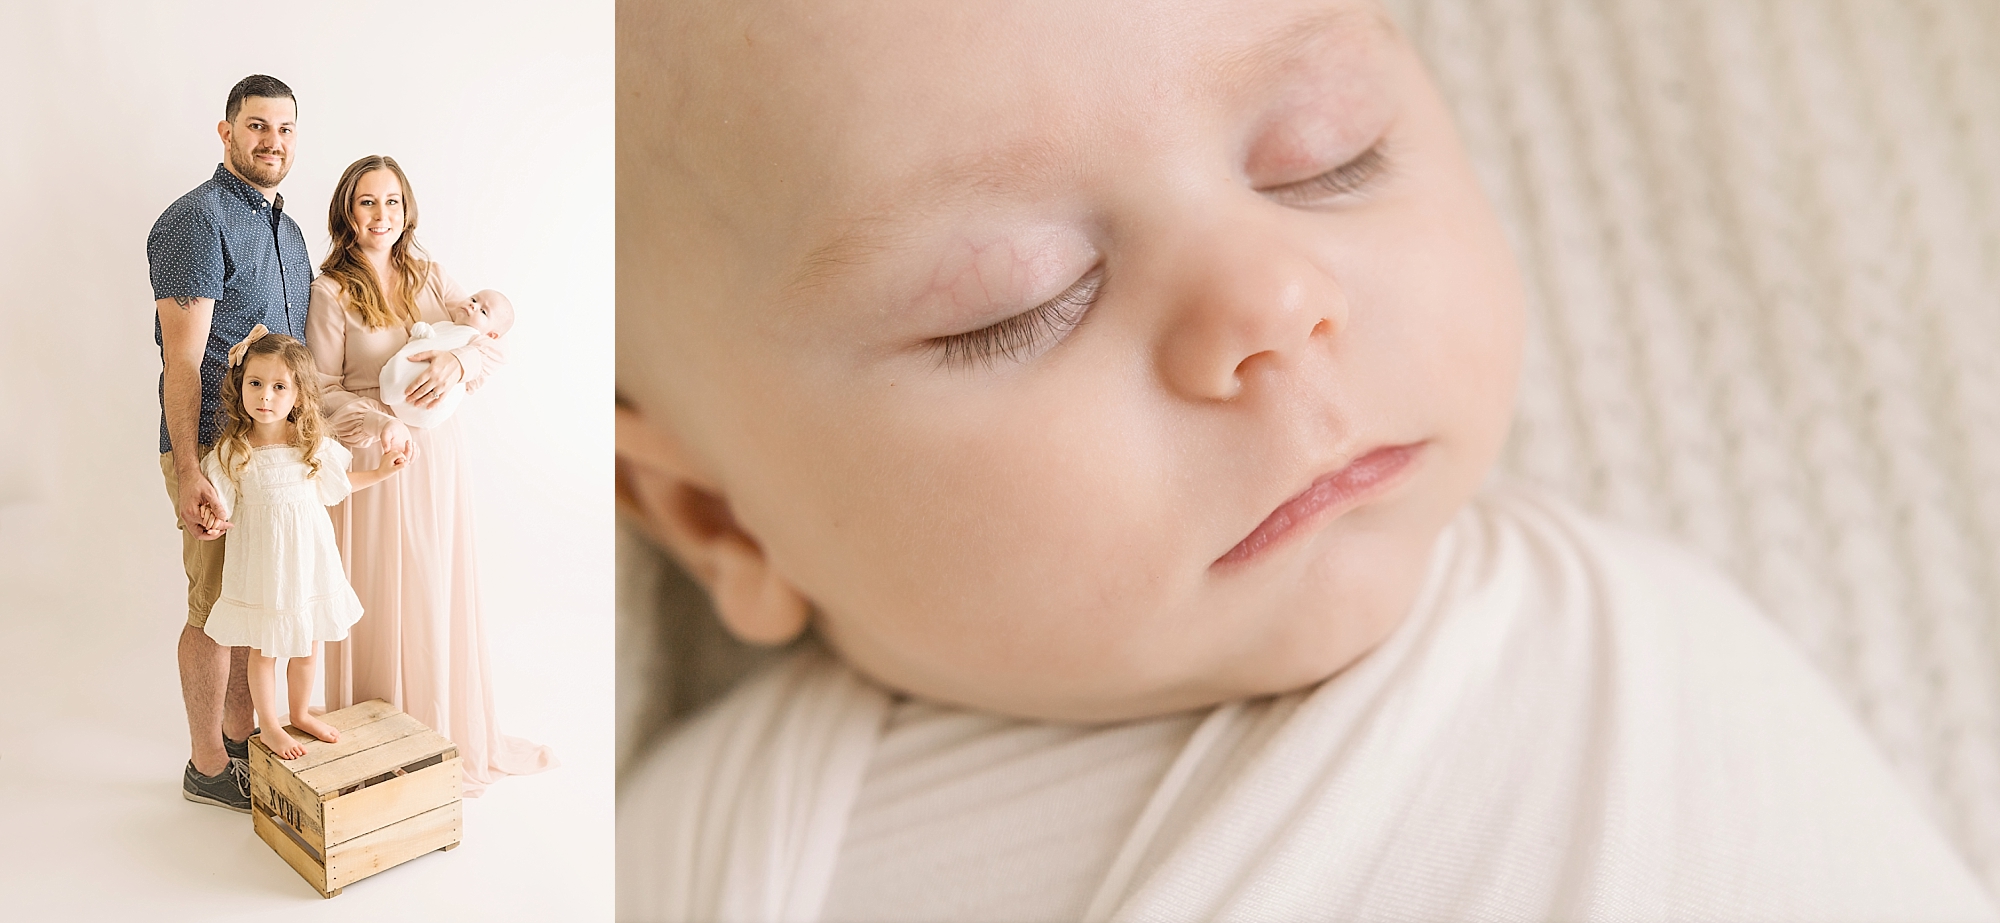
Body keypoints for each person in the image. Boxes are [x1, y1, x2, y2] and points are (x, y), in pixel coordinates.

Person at [611, 1, 2000, 921]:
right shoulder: (691, 855)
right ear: (714, 511)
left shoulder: (1650, 663)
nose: (1274, 302)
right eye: (1021, 301)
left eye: (1331, 157)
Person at [307, 155, 555, 795]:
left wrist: (458, 367)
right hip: (373, 459)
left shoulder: (431, 274)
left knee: (429, 588)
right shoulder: (329, 290)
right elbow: (322, 390)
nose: (380, 215)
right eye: (367, 202)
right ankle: (372, 742)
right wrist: (376, 425)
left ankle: (435, 735)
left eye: (391, 202)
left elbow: (488, 338)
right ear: (347, 212)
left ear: (406, 210)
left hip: (437, 460)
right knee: (376, 592)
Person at [148, 74, 312, 813]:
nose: (270, 141)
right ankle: (206, 763)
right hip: (211, 451)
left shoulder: (291, 230)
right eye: (255, 126)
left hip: (274, 459)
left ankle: (243, 738)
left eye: (283, 128)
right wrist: (189, 469)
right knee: (213, 605)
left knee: (252, 602)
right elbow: (181, 361)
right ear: (226, 133)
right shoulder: (196, 221)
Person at [197, 328, 405, 760]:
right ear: (240, 386)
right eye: (255, 383)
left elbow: (337, 486)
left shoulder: (311, 445)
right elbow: (218, 502)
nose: (266, 397)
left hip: (308, 561)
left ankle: (300, 713)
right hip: (264, 566)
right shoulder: (233, 450)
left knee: (309, 645)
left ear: (298, 395)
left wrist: (383, 472)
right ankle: (270, 726)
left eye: (279, 387)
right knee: (265, 649)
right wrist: (210, 518)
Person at [379, 289, 517, 429]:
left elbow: (480, 374)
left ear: (492, 335)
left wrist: (460, 364)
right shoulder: (444, 325)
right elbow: (424, 342)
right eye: (474, 299)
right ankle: (394, 384)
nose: (473, 306)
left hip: (427, 407)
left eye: (483, 312)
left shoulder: (476, 341)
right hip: (391, 395)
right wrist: (422, 332)